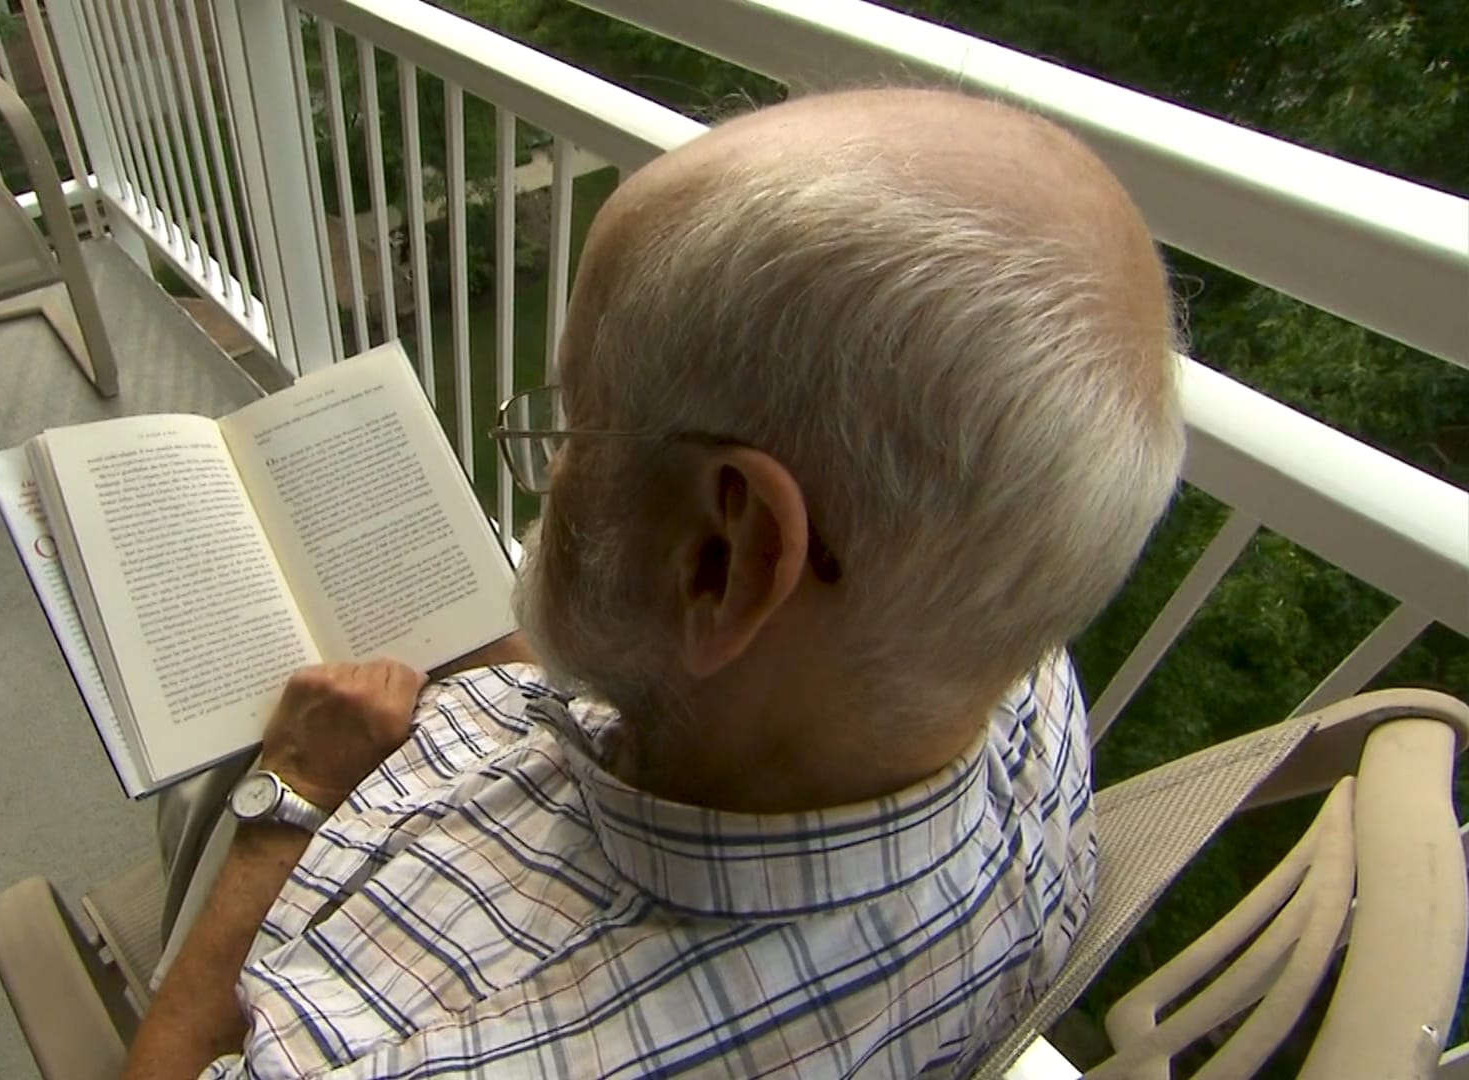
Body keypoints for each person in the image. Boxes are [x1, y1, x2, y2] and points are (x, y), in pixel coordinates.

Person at [123, 86, 1185, 1079]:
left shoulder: (452, 1043)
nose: (552, 469)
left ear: (725, 560)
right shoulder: (1005, 669)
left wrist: (289, 800)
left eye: (579, 425)